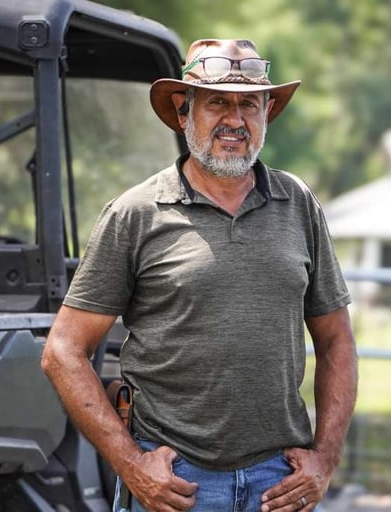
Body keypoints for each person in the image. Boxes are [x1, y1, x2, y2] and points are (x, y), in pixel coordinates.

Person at [41, 38, 358, 512]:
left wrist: (325, 460)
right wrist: (130, 464)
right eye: (217, 103)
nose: (234, 119)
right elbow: (63, 352)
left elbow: (336, 342)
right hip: (175, 484)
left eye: (249, 104)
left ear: (267, 113)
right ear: (184, 112)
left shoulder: (298, 205)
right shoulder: (136, 213)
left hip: (280, 485)